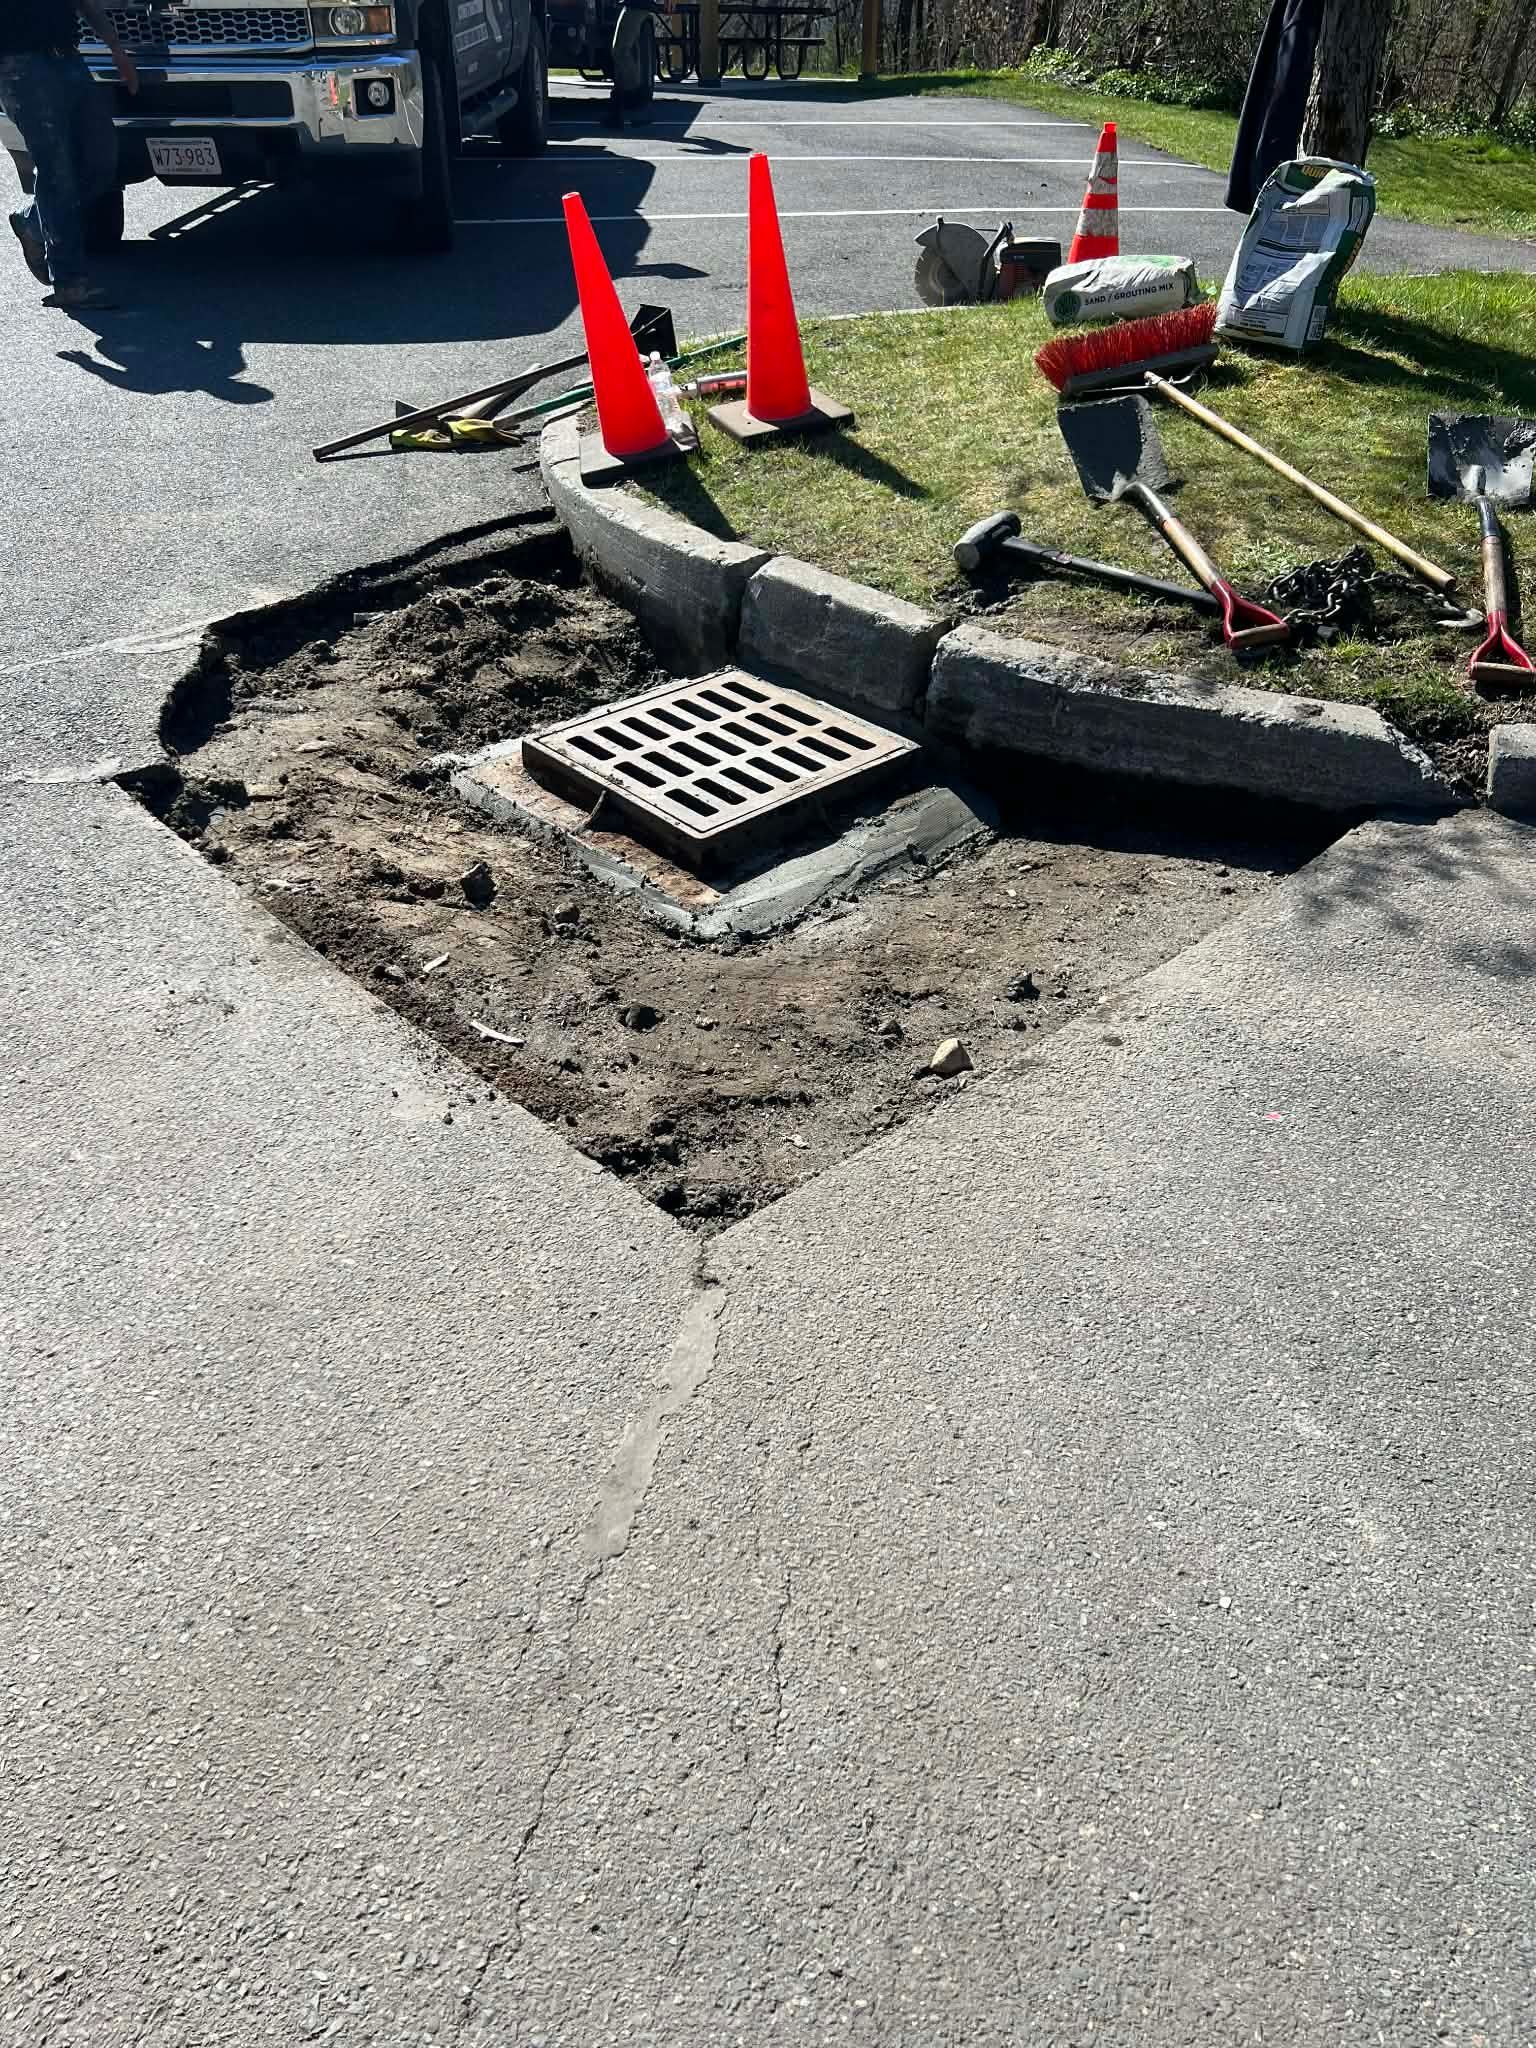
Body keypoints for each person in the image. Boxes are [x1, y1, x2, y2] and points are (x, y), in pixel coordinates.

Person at [0, 0, 137, 311]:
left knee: (101, 159)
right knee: (56, 170)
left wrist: (116, 48)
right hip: (21, 67)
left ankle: (33, 222)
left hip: (68, 59)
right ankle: (70, 283)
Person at [603, 1, 657, 132]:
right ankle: (617, 113)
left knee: (620, 51)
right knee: (621, 52)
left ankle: (638, 101)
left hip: (637, 4)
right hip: (633, 4)